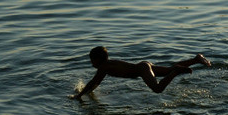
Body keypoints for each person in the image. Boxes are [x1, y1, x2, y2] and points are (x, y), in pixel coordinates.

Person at [72, 46, 211, 98]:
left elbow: (92, 82)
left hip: (142, 69)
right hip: (143, 66)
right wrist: (87, 93)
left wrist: (79, 97)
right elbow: (95, 84)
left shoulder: (103, 67)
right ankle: (196, 59)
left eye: (92, 61)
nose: (91, 64)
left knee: (157, 89)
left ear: (97, 60)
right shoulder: (107, 64)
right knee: (168, 69)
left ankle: (176, 72)